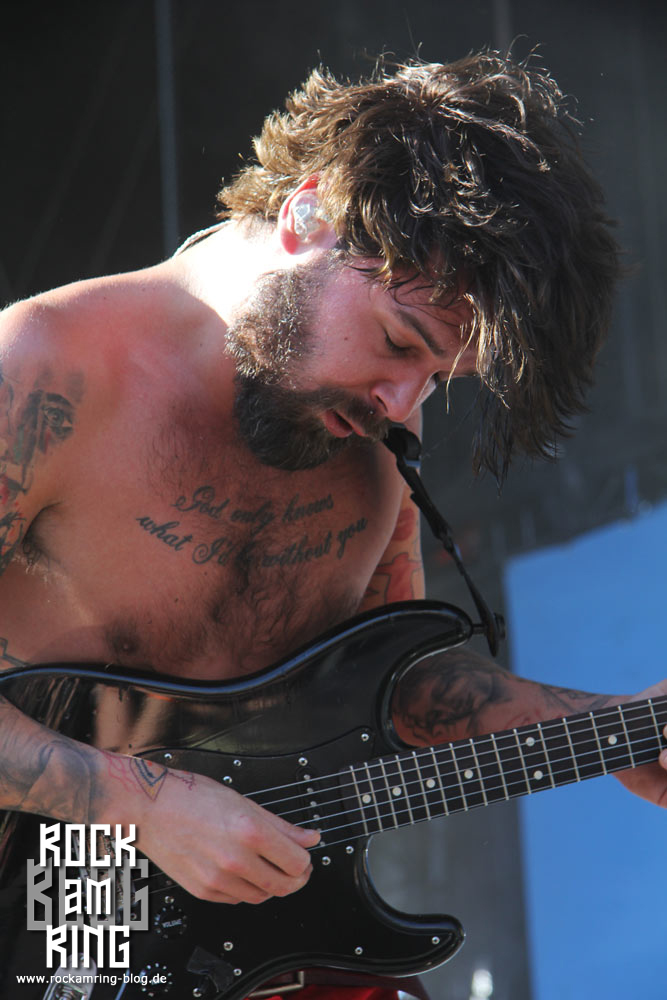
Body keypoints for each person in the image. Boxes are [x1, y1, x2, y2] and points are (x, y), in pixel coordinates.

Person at [0, 49, 665, 998]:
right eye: (399, 342)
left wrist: (614, 730)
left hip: (257, 951)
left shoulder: (377, 440)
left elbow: (389, 684)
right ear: (308, 215)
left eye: (439, 379)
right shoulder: (44, 369)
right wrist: (141, 808)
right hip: (42, 928)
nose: (403, 403)